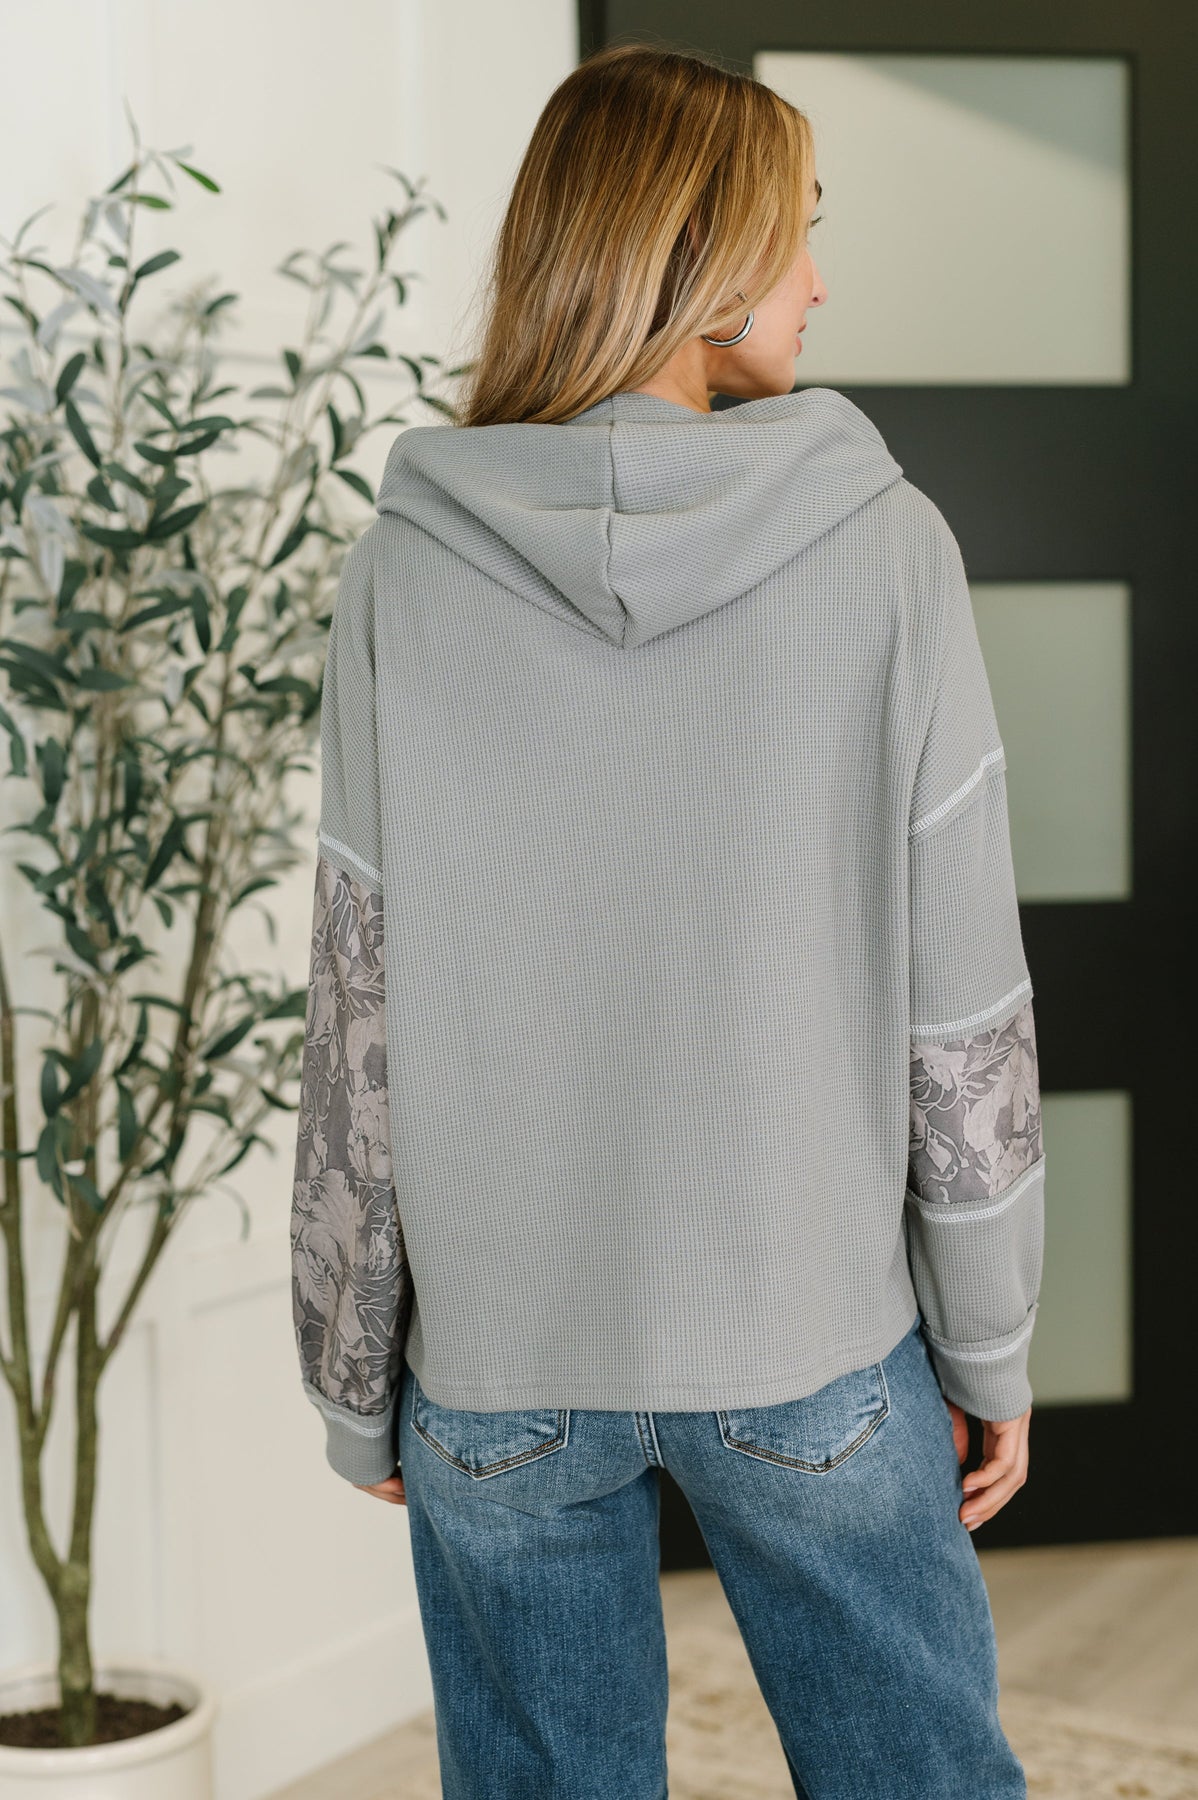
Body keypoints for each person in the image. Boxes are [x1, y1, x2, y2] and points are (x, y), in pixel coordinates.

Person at [290, 40, 1043, 1800]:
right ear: (697, 259)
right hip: (811, 1343)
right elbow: (960, 1002)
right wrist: (989, 1337)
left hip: (501, 1363)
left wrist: (353, 1363)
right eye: (798, 233)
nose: (817, 281)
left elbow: (358, 1001)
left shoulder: (404, 563)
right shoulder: (885, 546)